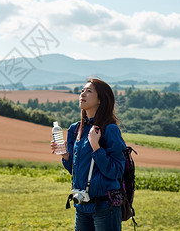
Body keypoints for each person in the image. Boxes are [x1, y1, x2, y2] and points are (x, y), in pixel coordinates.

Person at [51, 78, 126, 231]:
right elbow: (76, 170)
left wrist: (96, 147)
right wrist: (66, 156)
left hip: (105, 207)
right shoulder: (75, 129)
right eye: (82, 90)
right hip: (82, 207)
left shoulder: (109, 129)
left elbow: (117, 170)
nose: (82, 94)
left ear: (100, 100)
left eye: (89, 91)